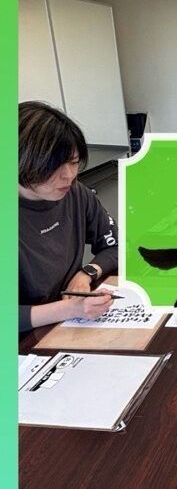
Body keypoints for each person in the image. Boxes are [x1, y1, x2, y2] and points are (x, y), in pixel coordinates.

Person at [19, 101, 117, 332]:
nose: (70, 175)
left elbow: (116, 245)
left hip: (68, 324)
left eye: (73, 162)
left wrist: (87, 273)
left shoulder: (76, 193)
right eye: (54, 166)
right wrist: (70, 309)